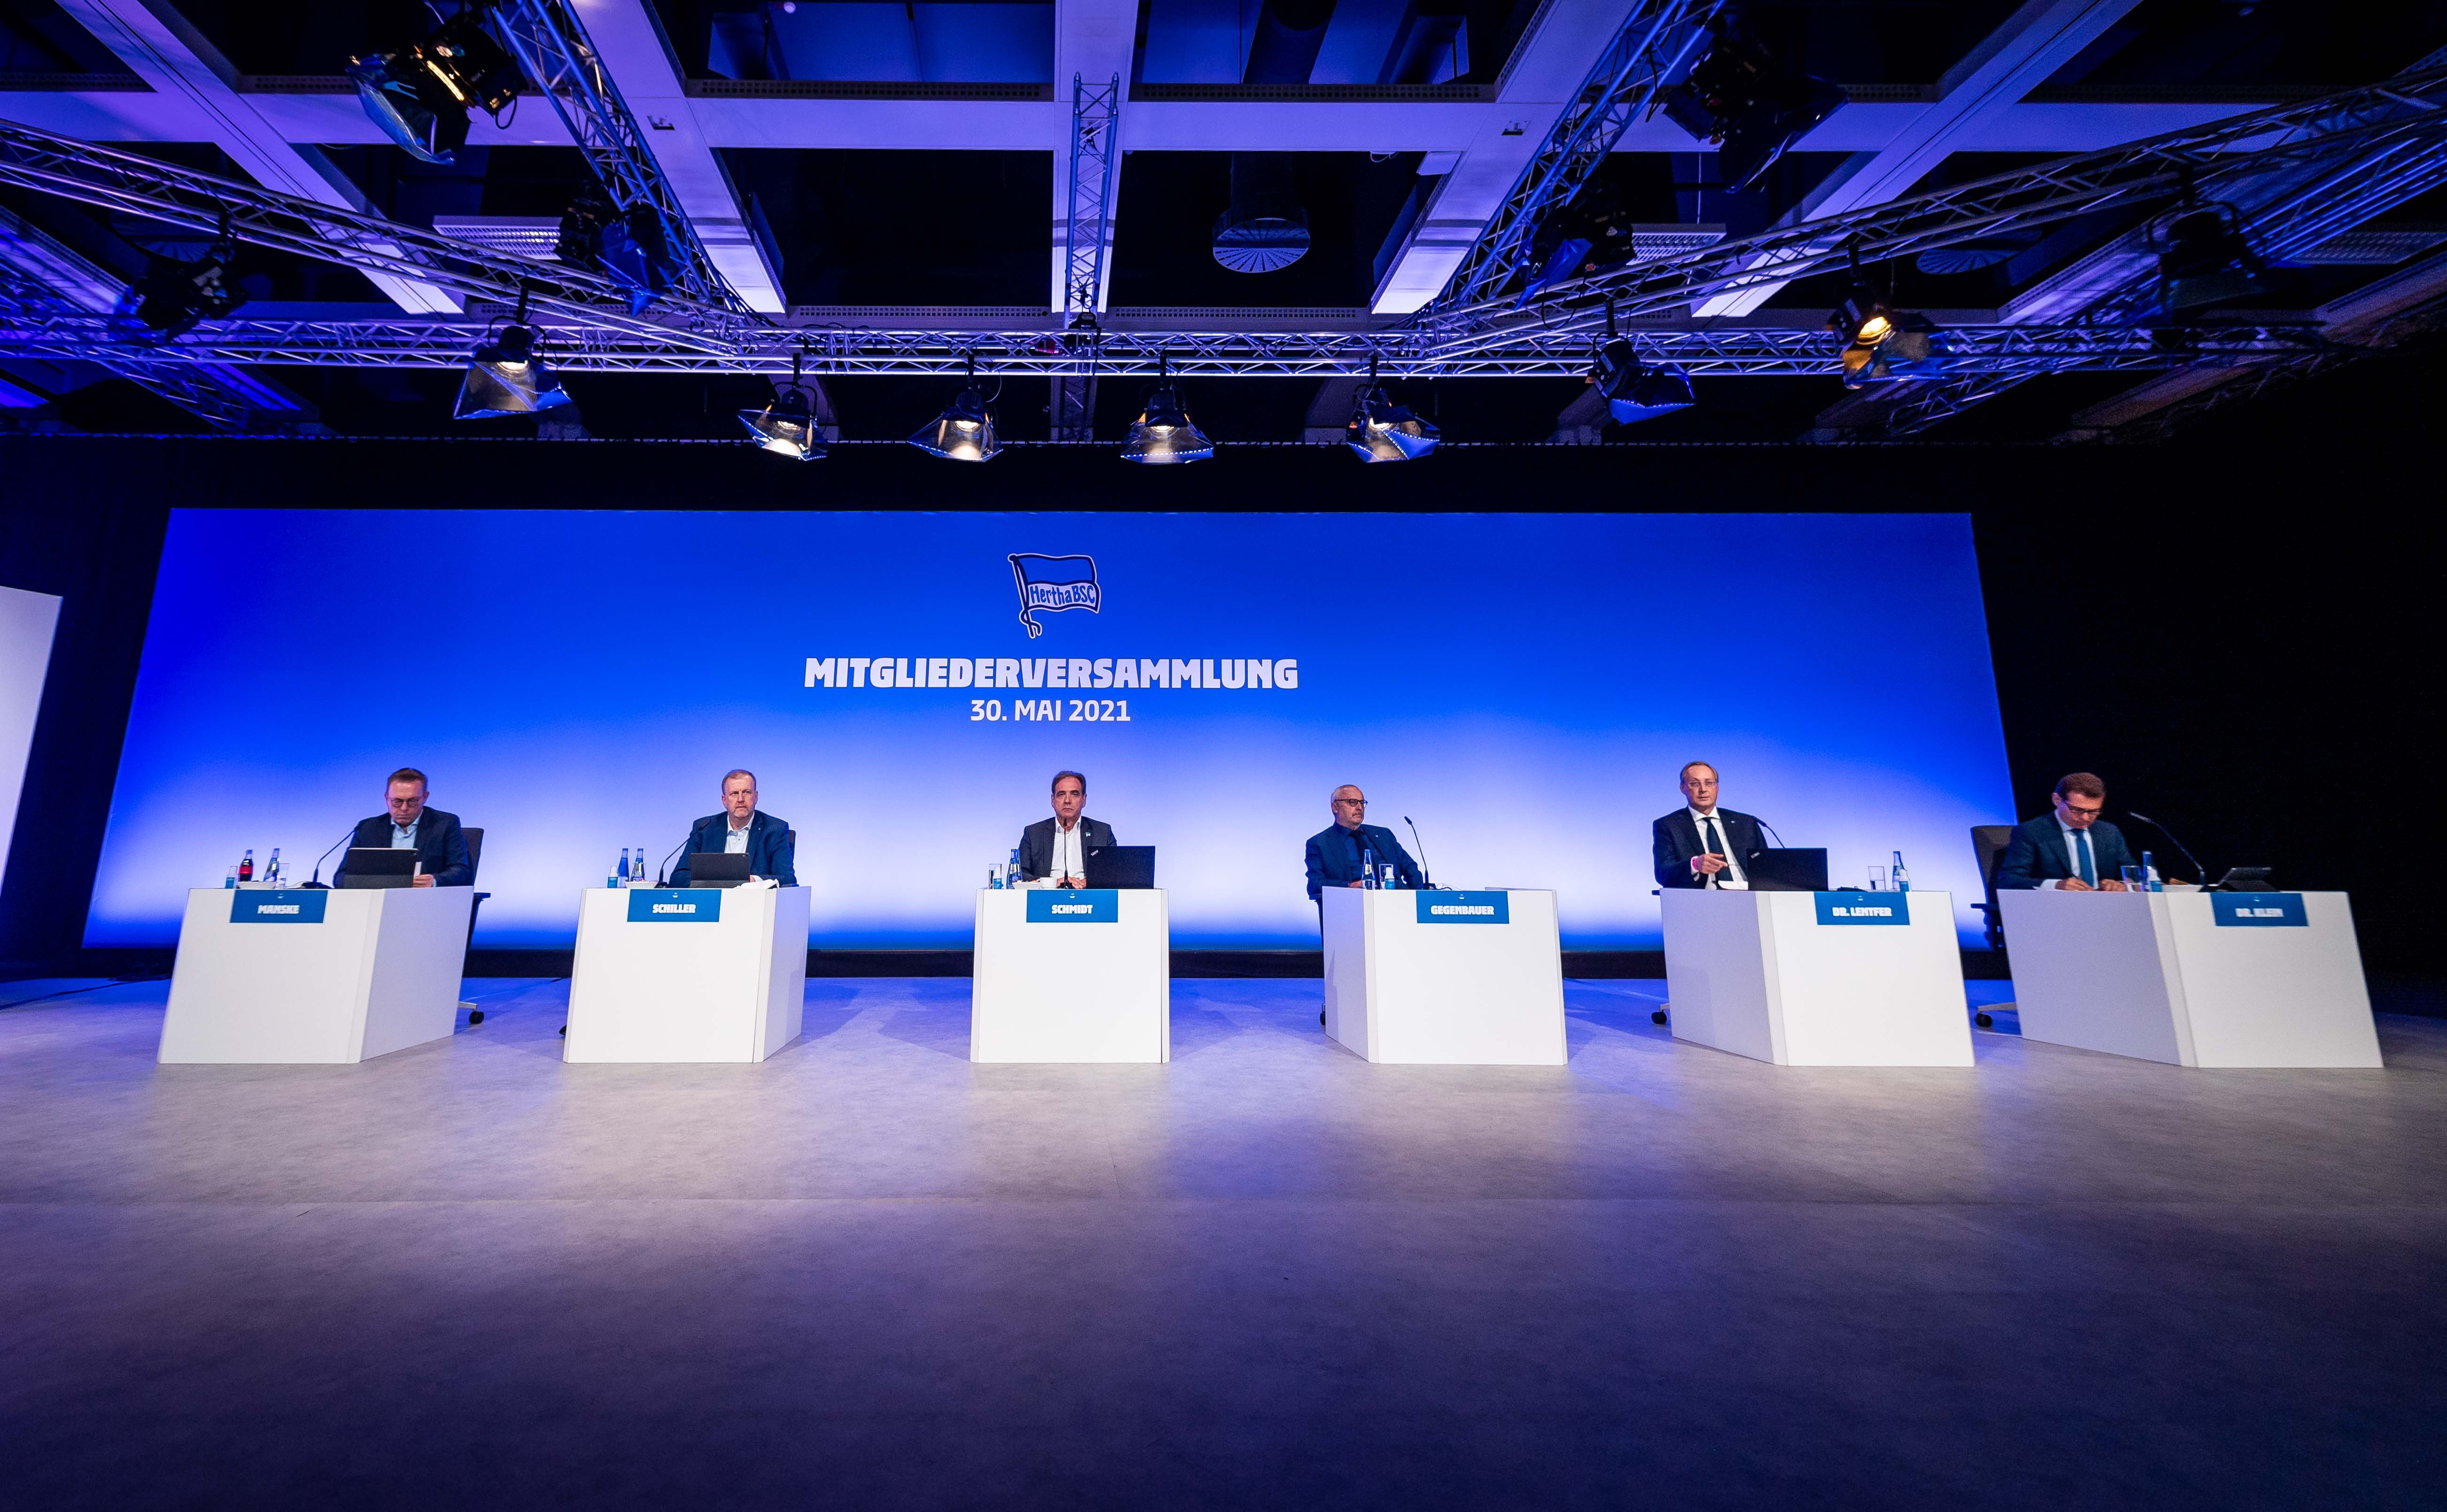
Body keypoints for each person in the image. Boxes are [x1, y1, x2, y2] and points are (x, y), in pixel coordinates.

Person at [1994, 772, 2138, 891]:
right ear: (2057, 800)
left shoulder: (2109, 832)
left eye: (2094, 811)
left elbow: (2133, 875)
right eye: (2077, 810)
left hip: (2106, 909)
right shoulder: (2031, 832)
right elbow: (2009, 880)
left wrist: (2121, 885)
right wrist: (2056, 885)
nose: (2085, 818)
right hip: (2055, 910)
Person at [334, 767, 471, 887]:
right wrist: (373, 883)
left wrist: (434, 881)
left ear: (425, 797)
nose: (404, 808)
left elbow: (462, 871)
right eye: (397, 802)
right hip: (376, 903)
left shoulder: (445, 824)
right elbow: (341, 878)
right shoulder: (368, 828)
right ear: (387, 798)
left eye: (413, 801)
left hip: (426, 902)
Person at [1653, 762, 1771, 890]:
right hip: (1704, 899)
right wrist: (1695, 865)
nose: (1703, 789)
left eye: (1709, 783)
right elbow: (1663, 873)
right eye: (1695, 784)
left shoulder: (1746, 822)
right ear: (1683, 788)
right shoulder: (1669, 825)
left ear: (1717, 788)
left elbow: (1766, 865)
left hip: (1751, 895)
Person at [670, 769, 796, 886]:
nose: (741, 799)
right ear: (724, 800)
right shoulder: (704, 828)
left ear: (756, 797)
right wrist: (719, 882)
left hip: (754, 904)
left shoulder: (774, 829)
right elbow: (678, 878)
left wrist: (753, 881)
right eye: (734, 794)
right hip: (711, 904)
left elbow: (787, 878)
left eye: (747, 792)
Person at [1304, 785, 1422, 901]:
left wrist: (1418, 898)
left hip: (1395, 903)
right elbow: (1315, 884)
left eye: (1362, 803)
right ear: (1335, 807)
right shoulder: (1320, 843)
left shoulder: (1383, 835)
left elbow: (1411, 868)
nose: (1360, 807)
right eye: (1352, 802)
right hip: (1351, 904)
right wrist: (1349, 886)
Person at [1018, 770, 1113, 888]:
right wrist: (1053, 883)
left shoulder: (1102, 832)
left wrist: (1092, 881)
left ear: (1084, 800)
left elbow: (1114, 871)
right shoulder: (1033, 834)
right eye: (1061, 794)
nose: (1067, 801)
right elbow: (1021, 875)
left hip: (1089, 898)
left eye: (1074, 794)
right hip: (1046, 898)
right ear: (1053, 800)